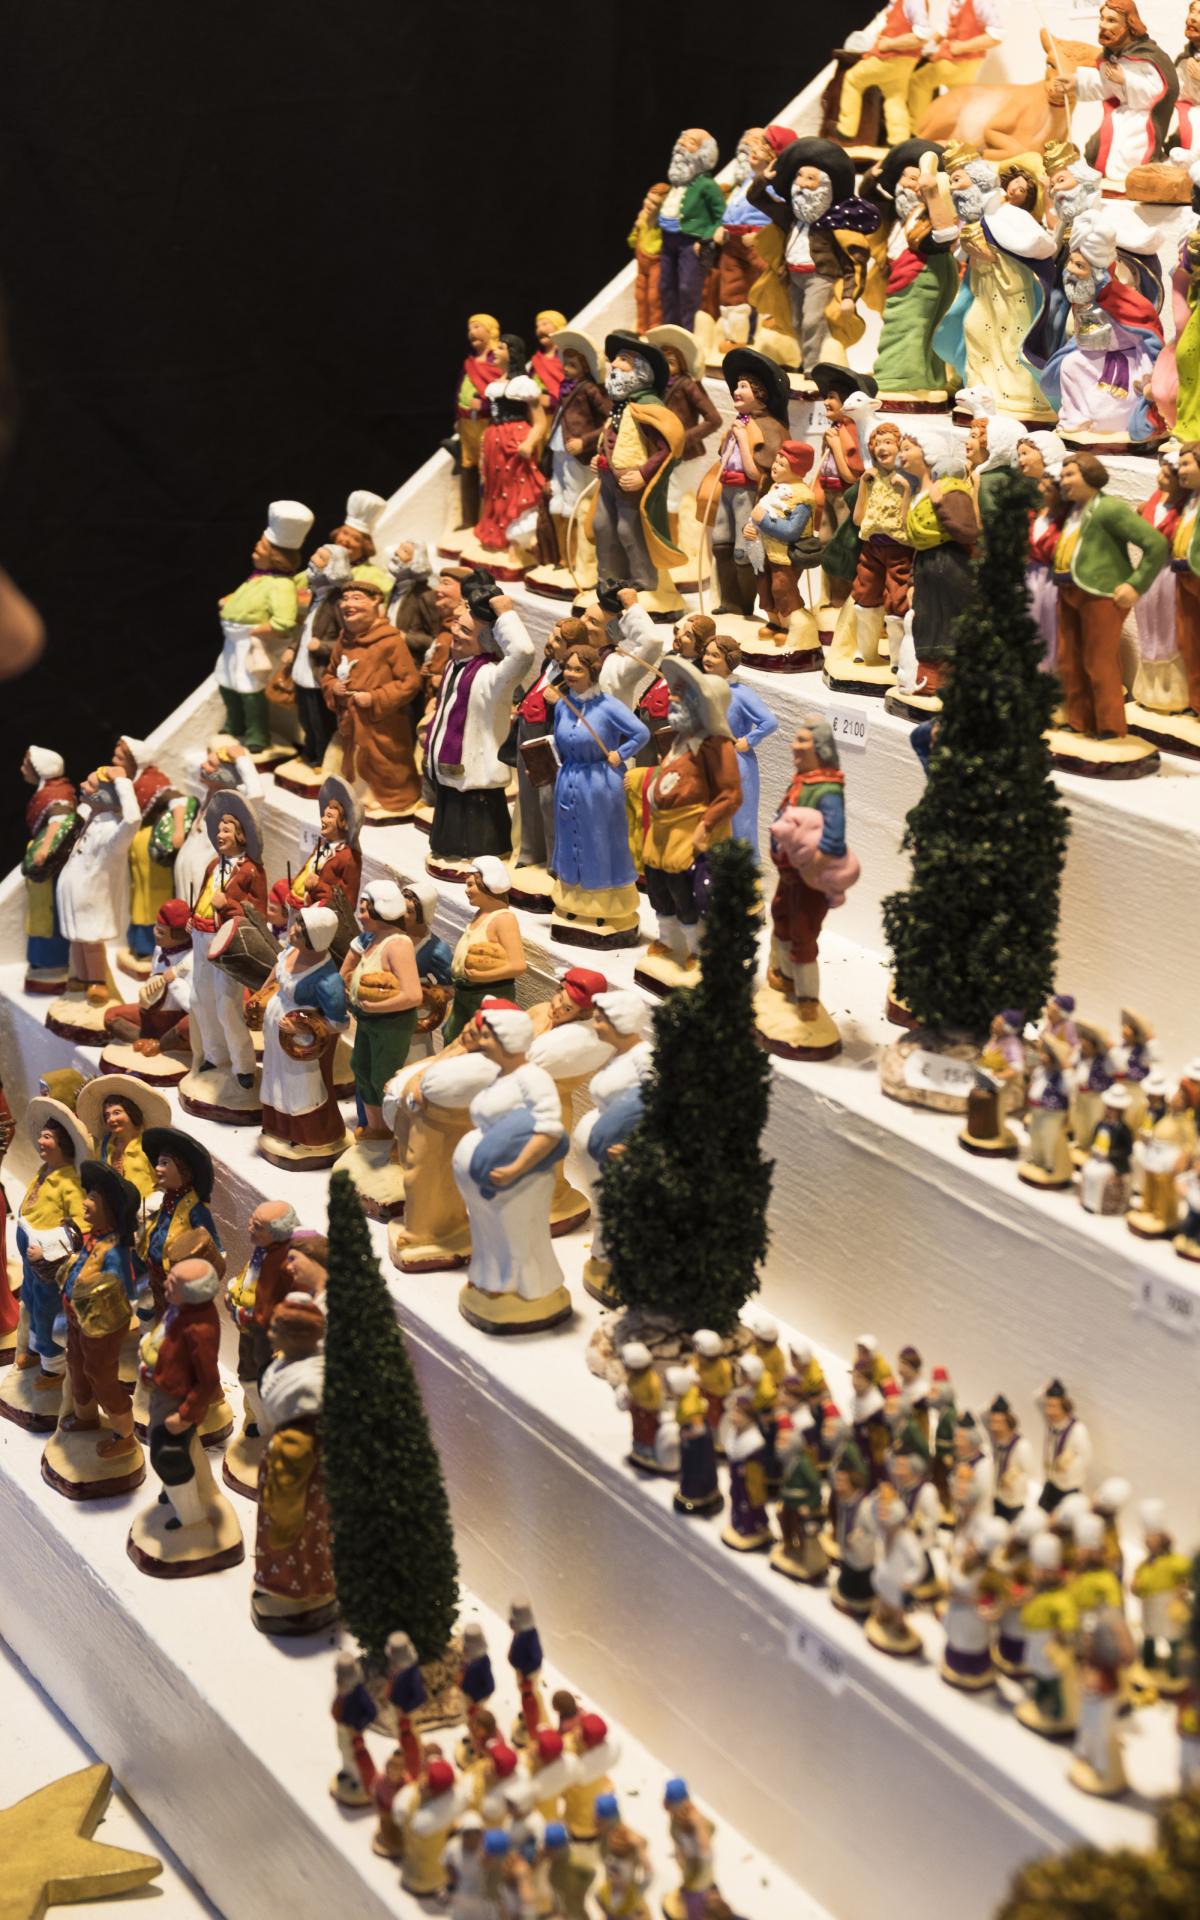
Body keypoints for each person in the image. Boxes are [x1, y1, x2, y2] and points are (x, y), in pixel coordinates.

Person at [451, 1001, 571, 1333]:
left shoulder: (533, 1078)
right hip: (488, 1180)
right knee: (486, 1230)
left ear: (508, 1040)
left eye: (488, 1035)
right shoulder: (498, 1075)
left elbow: (549, 1130)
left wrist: (515, 1168)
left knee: (514, 1232)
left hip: (521, 1179)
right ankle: (488, 1279)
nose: (481, 1040)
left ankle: (518, 1285)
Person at [922, 142, 1056, 423]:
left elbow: (1043, 245)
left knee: (1011, 344)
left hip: (1012, 294)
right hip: (984, 292)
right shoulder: (976, 220)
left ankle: (1019, 397)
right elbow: (956, 249)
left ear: (978, 179)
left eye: (957, 180)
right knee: (974, 331)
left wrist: (1016, 247)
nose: (954, 189)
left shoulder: (1008, 215)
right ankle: (980, 391)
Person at [626, 655, 740, 973]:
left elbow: (730, 795)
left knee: (685, 892)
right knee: (658, 887)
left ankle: (697, 948)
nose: (673, 699)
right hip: (662, 830)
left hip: (688, 831)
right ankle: (667, 939)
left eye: (683, 695)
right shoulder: (681, 739)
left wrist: (706, 826)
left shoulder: (716, 746)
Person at [1053, 451, 1168, 743]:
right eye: (1062, 476)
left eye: (1070, 475)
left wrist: (1136, 584)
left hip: (1101, 595)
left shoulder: (1109, 509)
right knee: (1069, 658)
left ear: (1090, 476)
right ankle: (1079, 719)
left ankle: (1110, 726)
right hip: (1068, 591)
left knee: (1099, 662)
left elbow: (1155, 543)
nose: (1064, 481)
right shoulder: (1070, 510)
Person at [423, 578, 536, 867]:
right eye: (457, 625)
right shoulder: (453, 665)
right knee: (450, 822)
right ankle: (450, 852)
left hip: (475, 767)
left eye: (465, 631)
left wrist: (505, 614)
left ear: (485, 641)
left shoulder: (491, 676)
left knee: (479, 827)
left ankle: (483, 855)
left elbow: (523, 653)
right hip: (448, 764)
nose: (455, 632)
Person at [546, 641, 648, 937]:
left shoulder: (609, 706)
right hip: (569, 779)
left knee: (600, 841)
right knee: (569, 837)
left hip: (601, 785)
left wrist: (621, 753)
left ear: (592, 672)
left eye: (578, 669)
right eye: (567, 668)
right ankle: (572, 901)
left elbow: (641, 733)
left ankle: (607, 905)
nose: (571, 674)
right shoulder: (563, 706)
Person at [52, 1160, 142, 1478]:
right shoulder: (94, 1239)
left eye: (92, 1197)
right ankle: (85, 1416)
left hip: (100, 1326)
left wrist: (93, 1287)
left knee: (100, 1375)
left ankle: (124, 1435)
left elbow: (122, 1287)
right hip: (78, 1319)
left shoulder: (115, 1250)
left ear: (110, 1208)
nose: (85, 1202)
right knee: (76, 1365)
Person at [253, 1291, 336, 1632]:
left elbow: (295, 1454)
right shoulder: (291, 1364)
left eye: (277, 1329)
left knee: (297, 1539)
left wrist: (282, 1508)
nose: (271, 1334)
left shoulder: (306, 1387)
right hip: (297, 1467)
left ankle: (294, 1591)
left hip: (297, 1478)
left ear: (298, 1336)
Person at [587, 333, 686, 600]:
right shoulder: (620, 407)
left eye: (623, 360)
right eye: (615, 359)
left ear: (641, 371)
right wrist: (599, 458)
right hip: (608, 480)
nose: (614, 365)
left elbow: (668, 448)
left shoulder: (648, 408)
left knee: (628, 529)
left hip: (630, 484)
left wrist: (643, 474)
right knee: (602, 526)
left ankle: (644, 580)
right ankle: (607, 578)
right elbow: (612, 438)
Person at [1047, 0, 1179, 193]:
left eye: (1111, 20)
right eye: (1102, 19)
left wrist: (1126, 79)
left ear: (1129, 25)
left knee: (1128, 156)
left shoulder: (1147, 55)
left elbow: (1157, 91)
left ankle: (1130, 186)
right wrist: (1076, 82)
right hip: (1121, 116)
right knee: (1094, 148)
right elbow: (1106, 85)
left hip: (1143, 121)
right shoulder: (1114, 55)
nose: (1103, 25)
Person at [254, 903, 349, 1166]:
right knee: (275, 1078)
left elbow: (338, 1023)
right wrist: (262, 993)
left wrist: (304, 1028)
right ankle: (278, 1128)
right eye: (297, 923)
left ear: (315, 938)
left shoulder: (328, 981)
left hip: (300, 1043)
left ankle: (309, 1136)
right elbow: (277, 969)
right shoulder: (291, 950)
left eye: (301, 929)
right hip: (276, 1033)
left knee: (300, 1088)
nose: (293, 929)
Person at [215, 500, 313, 750]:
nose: (255, 549)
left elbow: (284, 621)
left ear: (275, 556)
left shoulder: (281, 585)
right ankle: (234, 725)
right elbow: (250, 599)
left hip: (251, 642)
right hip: (233, 640)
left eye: (261, 546)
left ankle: (257, 734)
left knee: (249, 687)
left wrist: (256, 630)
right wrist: (229, 603)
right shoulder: (259, 578)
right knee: (226, 682)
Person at [186, 791, 266, 1094]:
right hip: (201, 937)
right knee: (200, 999)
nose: (220, 835)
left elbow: (256, 913)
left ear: (240, 835)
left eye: (227, 829)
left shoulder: (250, 871)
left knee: (227, 1004)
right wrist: (194, 916)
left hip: (226, 943)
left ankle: (243, 1064)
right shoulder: (213, 865)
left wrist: (228, 906)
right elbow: (204, 895)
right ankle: (214, 1054)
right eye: (219, 829)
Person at [321, 579, 421, 818]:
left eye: (356, 599)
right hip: (351, 721)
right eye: (345, 600)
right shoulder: (344, 640)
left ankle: (389, 798)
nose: (348, 605)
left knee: (386, 763)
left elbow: (410, 682)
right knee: (354, 761)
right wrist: (334, 687)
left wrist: (375, 698)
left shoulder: (390, 641)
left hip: (382, 723)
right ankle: (360, 795)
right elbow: (329, 674)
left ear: (375, 602)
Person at [706, 348, 790, 620]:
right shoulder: (738, 423)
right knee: (721, 544)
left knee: (743, 550)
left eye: (743, 386)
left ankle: (745, 604)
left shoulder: (770, 427)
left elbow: (756, 473)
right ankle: (728, 601)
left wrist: (743, 441)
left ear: (760, 394)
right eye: (737, 386)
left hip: (747, 493)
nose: (736, 391)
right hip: (727, 491)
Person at [13, 1096, 88, 1391]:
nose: (41, 1142)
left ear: (63, 1144)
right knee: (30, 1300)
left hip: (47, 1259)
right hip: (28, 1250)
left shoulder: (70, 1182)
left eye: (48, 1137)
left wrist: (47, 1247)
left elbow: (80, 1228)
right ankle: (35, 1348)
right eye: (42, 1136)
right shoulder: (44, 1171)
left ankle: (53, 1364)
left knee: (46, 1309)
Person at [341, 879, 423, 1139]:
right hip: (368, 1020)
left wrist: (377, 1007)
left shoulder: (398, 944)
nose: (360, 915)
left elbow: (413, 995)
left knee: (383, 1076)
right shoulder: (374, 940)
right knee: (361, 1068)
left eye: (365, 910)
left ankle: (393, 1131)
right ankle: (376, 1127)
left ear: (381, 910)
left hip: (390, 1025)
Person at [54, 763, 140, 1006]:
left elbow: (133, 818)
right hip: (74, 894)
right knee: (77, 940)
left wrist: (122, 782)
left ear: (105, 795)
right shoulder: (91, 817)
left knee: (91, 943)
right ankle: (81, 978)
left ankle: (97, 982)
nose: (82, 785)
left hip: (91, 895)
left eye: (90, 784)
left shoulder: (113, 830)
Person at [534, 330, 611, 574]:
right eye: (565, 363)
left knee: (573, 501)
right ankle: (562, 556)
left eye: (573, 365)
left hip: (577, 453)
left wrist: (584, 441)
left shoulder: (590, 390)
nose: (566, 369)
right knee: (557, 498)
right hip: (559, 448)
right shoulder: (565, 387)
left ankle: (575, 558)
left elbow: (610, 420)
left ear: (585, 367)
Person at [699, 635, 778, 858]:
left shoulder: (741, 694)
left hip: (734, 764)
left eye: (715, 655)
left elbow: (769, 722)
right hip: (707, 760)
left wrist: (749, 740)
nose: (708, 658)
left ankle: (746, 872)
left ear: (729, 661)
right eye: (707, 653)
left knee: (739, 822)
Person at [474, 333, 547, 555]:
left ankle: (518, 540)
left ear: (512, 353)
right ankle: (497, 535)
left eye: (501, 348)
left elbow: (540, 422)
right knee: (495, 489)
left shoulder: (522, 384)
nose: (494, 351)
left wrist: (529, 443)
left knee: (516, 487)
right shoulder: (495, 384)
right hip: (494, 442)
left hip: (514, 441)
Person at [443, 858, 527, 1045]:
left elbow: (518, 965)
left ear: (486, 885)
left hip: (485, 995)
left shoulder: (503, 919)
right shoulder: (481, 914)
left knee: (475, 1042)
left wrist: (481, 976)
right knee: (452, 1037)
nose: (466, 890)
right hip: (465, 992)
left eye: (470, 885)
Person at [19, 744, 77, 991]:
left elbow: (60, 819)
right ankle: (43, 962)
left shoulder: (56, 795)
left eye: (26, 764)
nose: (23, 769)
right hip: (45, 863)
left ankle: (53, 963)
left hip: (52, 866)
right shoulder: (47, 791)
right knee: (40, 912)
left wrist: (44, 849)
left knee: (48, 913)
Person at [836, 0, 931, 147]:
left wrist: (888, 44)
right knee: (895, 96)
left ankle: (846, 129)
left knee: (853, 79)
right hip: (904, 60)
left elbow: (922, 36)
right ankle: (899, 139)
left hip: (890, 58)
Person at [656, 129, 725, 330]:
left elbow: (721, 216)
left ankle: (687, 330)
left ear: (703, 153)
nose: (682, 144)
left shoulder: (707, 185)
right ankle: (669, 328)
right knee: (666, 285)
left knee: (688, 288)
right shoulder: (677, 181)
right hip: (668, 239)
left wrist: (706, 238)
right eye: (682, 139)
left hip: (690, 243)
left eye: (691, 142)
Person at [285, 775, 361, 915]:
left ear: (343, 823)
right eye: (324, 815)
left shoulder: (348, 858)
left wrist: (318, 886)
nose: (323, 819)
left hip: (315, 916)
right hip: (297, 905)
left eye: (329, 816)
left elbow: (348, 903)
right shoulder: (322, 845)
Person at [453, 313, 502, 530]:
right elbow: (459, 390)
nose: (471, 332)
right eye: (469, 328)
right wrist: (458, 416)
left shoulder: (496, 360)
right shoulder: (470, 362)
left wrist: (483, 405)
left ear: (490, 331)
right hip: (467, 425)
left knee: (489, 469)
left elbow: (502, 392)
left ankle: (492, 519)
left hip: (486, 424)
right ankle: (469, 519)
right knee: (467, 468)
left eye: (477, 327)